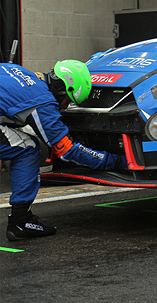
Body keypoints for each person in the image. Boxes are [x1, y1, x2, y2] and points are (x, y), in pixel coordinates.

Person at [1, 60, 125, 241]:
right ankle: (21, 222)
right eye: (68, 100)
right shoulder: (42, 102)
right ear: (63, 90)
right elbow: (67, 151)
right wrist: (115, 161)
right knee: (28, 147)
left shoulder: (15, 70)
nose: (65, 107)